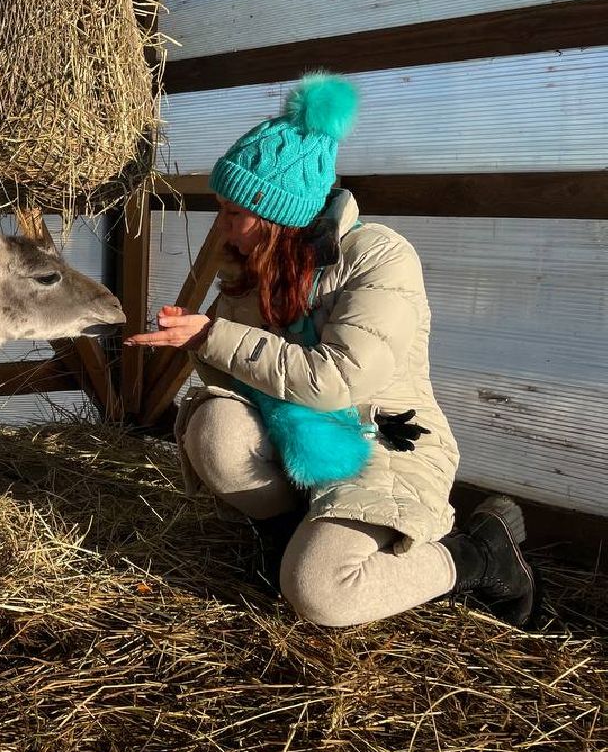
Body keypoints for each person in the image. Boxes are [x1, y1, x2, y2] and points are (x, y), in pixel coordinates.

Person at [130, 73, 536, 628]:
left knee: (322, 593)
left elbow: (336, 381)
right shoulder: (254, 266)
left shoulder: (380, 257)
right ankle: (283, 542)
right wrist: (200, 335)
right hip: (300, 438)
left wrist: (211, 335)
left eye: (234, 213)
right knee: (214, 425)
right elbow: (243, 379)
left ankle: (479, 555)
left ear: (278, 218)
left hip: (383, 439)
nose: (221, 227)